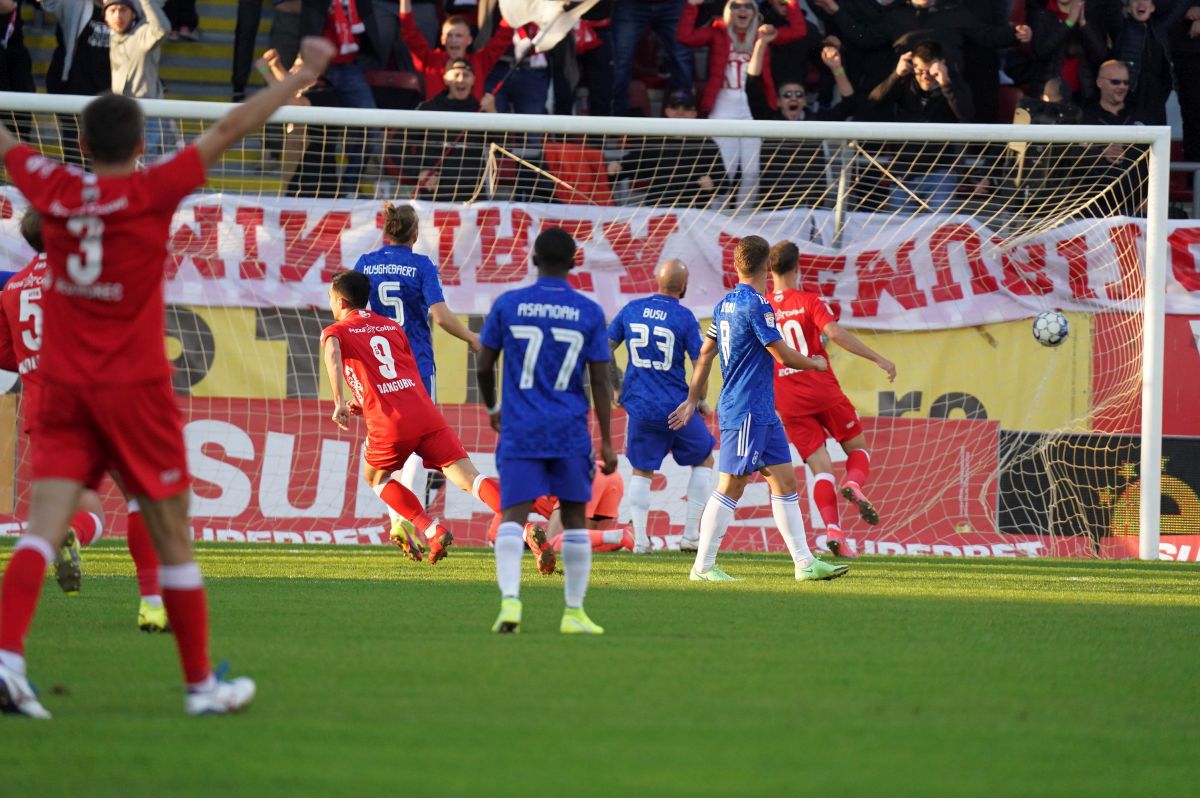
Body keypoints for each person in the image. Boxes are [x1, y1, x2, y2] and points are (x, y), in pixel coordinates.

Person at [0, 35, 336, 719]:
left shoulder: (52, 188)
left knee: (40, 529)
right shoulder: (151, 189)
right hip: (133, 390)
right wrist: (299, 76)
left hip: (62, 389)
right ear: (140, 144)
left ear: (80, 144)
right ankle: (201, 685)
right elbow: (230, 127)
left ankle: (7, 663)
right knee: (171, 530)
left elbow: (5, 141)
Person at [0, 207, 167, 631]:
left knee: (82, 507)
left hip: (45, 411)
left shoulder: (13, 289)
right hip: (99, 402)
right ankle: (151, 605)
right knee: (141, 498)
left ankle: (69, 535)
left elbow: (5, 353)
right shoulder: (87, 279)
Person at [668, 236, 847, 583]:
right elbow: (781, 354)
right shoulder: (757, 305)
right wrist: (814, 363)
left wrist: (692, 399)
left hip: (762, 411)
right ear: (767, 266)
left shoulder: (725, 305)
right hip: (746, 410)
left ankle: (804, 563)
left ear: (736, 266)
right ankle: (702, 567)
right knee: (732, 484)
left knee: (785, 481)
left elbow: (705, 354)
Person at [476, 228, 616, 635]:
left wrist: (493, 408)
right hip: (569, 431)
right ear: (574, 262)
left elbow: (483, 365)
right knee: (573, 517)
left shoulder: (508, 304)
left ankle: (510, 602)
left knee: (512, 514)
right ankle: (573, 613)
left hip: (521, 428)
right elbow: (600, 380)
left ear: (533, 260)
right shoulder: (588, 311)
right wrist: (607, 441)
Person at [322, 270, 509, 563]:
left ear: (341, 302)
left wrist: (338, 402)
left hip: (391, 422)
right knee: (470, 478)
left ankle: (430, 529)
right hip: (425, 413)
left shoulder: (336, 330)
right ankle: (524, 526)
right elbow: (399, 372)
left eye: (331, 299)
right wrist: (361, 401)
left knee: (375, 477)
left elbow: (333, 354)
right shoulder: (392, 327)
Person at [351, 202, 481, 551]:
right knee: (416, 447)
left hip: (378, 365)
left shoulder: (365, 263)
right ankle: (407, 521)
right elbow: (440, 317)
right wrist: (471, 337)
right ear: (415, 233)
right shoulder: (422, 265)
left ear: (386, 230)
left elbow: (352, 314)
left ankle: (398, 521)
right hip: (415, 365)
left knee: (384, 445)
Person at [767, 241, 896, 559]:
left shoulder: (762, 307)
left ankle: (834, 533)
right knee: (858, 448)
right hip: (821, 387)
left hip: (788, 398)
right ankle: (854, 484)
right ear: (797, 268)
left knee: (821, 469)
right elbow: (835, 333)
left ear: (769, 270)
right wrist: (878, 359)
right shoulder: (809, 300)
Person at [607, 258, 715, 554]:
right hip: (677, 408)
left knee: (641, 470)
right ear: (684, 285)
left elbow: (603, 347)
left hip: (641, 407)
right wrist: (700, 400)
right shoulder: (684, 317)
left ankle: (641, 541)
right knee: (704, 460)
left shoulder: (631, 309)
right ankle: (690, 535)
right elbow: (701, 362)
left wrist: (616, 386)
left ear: (657, 280)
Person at [677, 0, 808, 206]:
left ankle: (745, 214)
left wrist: (792, 3)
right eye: (736, 6)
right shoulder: (717, 32)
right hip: (723, 105)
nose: (742, 10)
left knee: (751, 171)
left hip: (751, 106)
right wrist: (692, 6)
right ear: (727, 11)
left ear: (755, 12)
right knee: (724, 170)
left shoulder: (763, 34)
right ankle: (716, 213)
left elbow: (798, 31)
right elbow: (684, 36)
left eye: (747, 6)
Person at [868, 41, 973, 212]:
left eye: (930, 72)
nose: (925, 77)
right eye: (920, 71)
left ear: (942, 64)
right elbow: (874, 103)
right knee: (900, 226)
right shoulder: (904, 80)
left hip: (940, 172)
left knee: (939, 225)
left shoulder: (954, 81)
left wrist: (946, 84)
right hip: (903, 172)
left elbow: (966, 114)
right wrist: (896, 75)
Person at [606, 88, 729, 208]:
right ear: (667, 111)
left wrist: (712, 185)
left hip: (693, 211)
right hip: (658, 209)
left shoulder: (707, 143)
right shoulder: (656, 140)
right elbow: (627, 166)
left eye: (686, 108)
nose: (680, 112)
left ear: (694, 114)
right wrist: (615, 166)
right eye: (675, 108)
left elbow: (724, 184)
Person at [413, 59, 493, 201]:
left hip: (473, 196)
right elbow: (397, 145)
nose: (461, 80)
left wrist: (493, 113)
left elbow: (504, 148)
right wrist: (419, 171)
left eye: (466, 75)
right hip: (433, 195)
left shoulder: (482, 111)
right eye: (456, 75)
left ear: (473, 80)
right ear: (446, 79)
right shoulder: (427, 109)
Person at [400, 0, 510, 101]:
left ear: (469, 40)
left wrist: (515, 6)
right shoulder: (430, 61)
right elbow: (409, 32)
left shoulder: (480, 62)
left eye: (459, 36)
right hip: (436, 116)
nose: (454, 40)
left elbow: (504, 34)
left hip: (470, 116)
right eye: (449, 35)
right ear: (442, 39)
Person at [105, 0, 175, 159]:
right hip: (120, 115)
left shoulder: (142, 34)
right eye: (113, 11)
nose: (118, 16)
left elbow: (162, 29)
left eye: (123, 10)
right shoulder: (112, 36)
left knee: (144, 165)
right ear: (105, 17)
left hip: (147, 117)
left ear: (133, 13)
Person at [610, 0, 695, 116]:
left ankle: (682, 115)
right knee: (620, 61)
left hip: (673, 4)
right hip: (630, 4)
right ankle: (616, 119)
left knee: (682, 60)